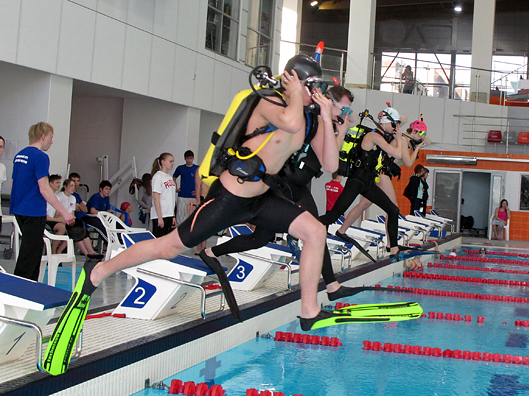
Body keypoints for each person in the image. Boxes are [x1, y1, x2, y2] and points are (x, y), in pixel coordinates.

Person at [66, 55, 336, 330]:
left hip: (261, 199)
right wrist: (292, 92)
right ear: (293, 81)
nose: (317, 94)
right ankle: (98, 271)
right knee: (168, 246)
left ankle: (309, 310)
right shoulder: (269, 102)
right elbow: (289, 122)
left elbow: (330, 164)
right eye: (312, 87)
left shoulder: (308, 119)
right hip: (229, 198)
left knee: (315, 231)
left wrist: (325, 116)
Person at [201, 85, 373, 303]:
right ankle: (332, 286)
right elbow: (328, 159)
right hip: (284, 186)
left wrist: (344, 117)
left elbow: (336, 147)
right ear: (327, 101)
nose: (346, 113)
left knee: (260, 238)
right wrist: (336, 117)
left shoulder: (327, 122)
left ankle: (211, 253)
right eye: (345, 108)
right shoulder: (314, 120)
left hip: (298, 187)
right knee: (314, 232)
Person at [320, 107, 404, 258]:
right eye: (395, 124)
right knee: (332, 217)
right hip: (357, 181)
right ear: (387, 122)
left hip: (368, 183)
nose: (396, 128)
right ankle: (297, 226)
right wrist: (399, 138)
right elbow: (397, 153)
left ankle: (394, 249)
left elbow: (401, 119)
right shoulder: (373, 136)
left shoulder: (383, 133)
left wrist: (389, 118)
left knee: (393, 210)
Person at [335, 111, 427, 246]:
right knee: (393, 208)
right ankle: (391, 244)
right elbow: (408, 162)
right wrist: (418, 147)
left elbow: (406, 120)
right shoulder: (403, 139)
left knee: (364, 204)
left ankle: (342, 230)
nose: (422, 137)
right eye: (422, 134)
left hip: (379, 173)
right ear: (416, 132)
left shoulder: (403, 137)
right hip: (382, 173)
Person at [10, 122, 74, 281]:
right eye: (51, 138)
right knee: (30, 253)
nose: (51, 142)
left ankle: (28, 284)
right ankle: (21, 286)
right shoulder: (40, 157)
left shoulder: (20, 155)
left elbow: (13, 183)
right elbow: (45, 188)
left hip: (19, 209)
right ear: (43, 136)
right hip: (33, 211)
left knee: (33, 248)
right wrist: (64, 212)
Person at [57, 178, 103, 259]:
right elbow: (57, 213)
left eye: (74, 186)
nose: (73, 188)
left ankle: (90, 251)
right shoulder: (59, 196)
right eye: (71, 186)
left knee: (81, 228)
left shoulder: (73, 198)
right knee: (75, 231)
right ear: (65, 186)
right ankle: (86, 255)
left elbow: (72, 213)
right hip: (61, 219)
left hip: (69, 220)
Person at [151, 153, 177, 237]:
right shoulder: (158, 177)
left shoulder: (169, 177)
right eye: (170, 161)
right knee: (159, 241)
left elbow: (171, 197)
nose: (172, 163)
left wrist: (173, 215)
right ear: (163, 162)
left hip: (168, 213)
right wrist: (159, 217)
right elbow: (156, 197)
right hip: (161, 214)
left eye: (173, 161)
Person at [173, 150, 199, 225]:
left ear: (193, 158)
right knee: (180, 215)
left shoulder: (197, 168)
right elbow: (174, 177)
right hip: (182, 195)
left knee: (191, 216)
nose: (189, 160)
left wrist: (198, 192)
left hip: (192, 196)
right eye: (188, 158)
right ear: (185, 158)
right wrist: (176, 188)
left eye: (190, 158)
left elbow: (201, 181)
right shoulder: (180, 168)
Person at [46, 174, 68, 254]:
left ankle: (59, 251)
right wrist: (57, 220)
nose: (59, 185)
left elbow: (57, 213)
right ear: (50, 184)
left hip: (52, 220)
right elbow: (44, 216)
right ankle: (53, 251)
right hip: (45, 220)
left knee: (71, 228)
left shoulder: (57, 197)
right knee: (62, 228)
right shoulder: (45, 197)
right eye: (56, 182)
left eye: (59, 182)